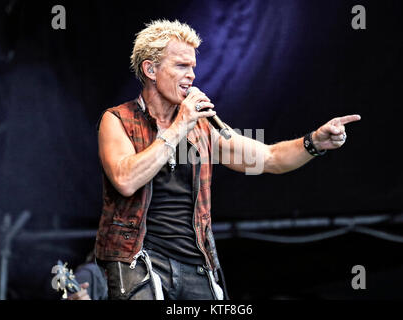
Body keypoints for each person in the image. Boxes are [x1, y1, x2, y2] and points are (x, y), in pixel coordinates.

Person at [94, 19, 361, 300]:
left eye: (193, 67)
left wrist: (313, 142)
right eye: (181, 66)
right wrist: (178, 128)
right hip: (138, 263)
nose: (191, 76)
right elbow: (125, 180)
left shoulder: (201, 130)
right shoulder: (118, 121)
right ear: (150, 69)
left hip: (195, 267)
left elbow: (269, 158)